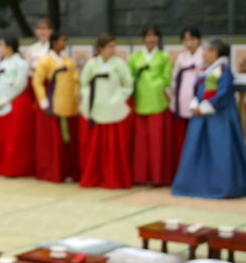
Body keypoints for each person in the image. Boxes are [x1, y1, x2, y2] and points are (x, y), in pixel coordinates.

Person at [172, 38, 246, 199]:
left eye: (205, 50)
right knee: (195, 149)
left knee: (220, 149)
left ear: (214, 52)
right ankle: (194, 185)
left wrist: (204, 107)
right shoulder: (205, 70)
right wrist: (194, 103)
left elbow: (224, 93)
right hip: (200, 116)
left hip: (219, 117)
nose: (202, 53)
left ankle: (222, 186)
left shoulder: (223, 70)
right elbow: (196, 88)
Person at [79, 34, 135, 189]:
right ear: (100, 48)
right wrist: (89, 98)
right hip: (96, 106)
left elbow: (128, 84)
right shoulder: (91, 64)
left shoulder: (119, 64)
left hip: (113, 107)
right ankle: (94, 176)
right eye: (110, 47)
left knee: (113, 147)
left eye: (114, 46)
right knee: (94, 148)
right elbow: (83, 84)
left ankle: (114, 178)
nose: (113, 50)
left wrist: (119, 99)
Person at [32, 31, 80, 182]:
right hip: (52, 106)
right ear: (54, 42)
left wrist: (77, 95)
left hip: (69, 104)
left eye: (66, 40)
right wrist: (44, 101)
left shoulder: (69, 61)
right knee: (53, 141)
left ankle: (69, 171)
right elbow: (37, 82)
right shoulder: (45, 61)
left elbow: (75, 80)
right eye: (62, 40)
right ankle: (52, 171)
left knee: (68, 140)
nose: (65, 43)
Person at [128, 25, 173, 186]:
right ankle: (140, 176)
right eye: (148, 35)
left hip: (156, 101)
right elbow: (129, 75)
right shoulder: (135, 56)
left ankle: (156, 177)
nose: (151, 39)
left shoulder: (163, 57)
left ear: (159, 38)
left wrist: (153, 86)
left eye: (154, 35)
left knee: (156, 142)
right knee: (140, 142)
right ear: (143, 38)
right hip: (140, 100)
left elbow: (166, 77)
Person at [0, 37, 34, 177]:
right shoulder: (2, 63)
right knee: (1, 137)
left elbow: (19, 85)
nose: (0, 48)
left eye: (1, 45)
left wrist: (3, 100)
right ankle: (0, 166)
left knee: (14, 138)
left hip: (16, 104)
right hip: (0, 105)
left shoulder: (21, 64)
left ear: (9, 47)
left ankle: (15, 168)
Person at [169, 26, 203, 176]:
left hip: (199, 102)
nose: (189, 43)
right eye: (185, 40)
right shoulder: (181, 58)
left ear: (199, 40)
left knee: (197, 137)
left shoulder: (204, 55)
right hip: (182, 100)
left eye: (192, 39)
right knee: (182, 139)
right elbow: (174, 80)